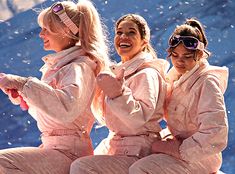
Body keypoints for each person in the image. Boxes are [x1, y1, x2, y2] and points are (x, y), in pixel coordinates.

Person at [0, 0, 110, 173]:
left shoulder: (78, 67)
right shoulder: (63, 66)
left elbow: (66, 109)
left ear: (65, 31)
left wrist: (22, 83)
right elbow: (52, 115)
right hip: (55, 148)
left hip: (69, 152)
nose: (41, 34)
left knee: (3, 162)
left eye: (47, 29)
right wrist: (25, 96)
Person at [70, 14, 169, 174]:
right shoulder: (120, 71)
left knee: (82, 167)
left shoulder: (147, 73)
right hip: (118, 145)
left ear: (144, 41)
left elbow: (139, 117)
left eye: (131, 32)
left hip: (138, 151)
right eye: (119, 32)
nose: (124, 37)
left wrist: (118, 94)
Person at [129, 18, 229, 174]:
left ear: (199, 54)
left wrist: (180, 150)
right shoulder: (175, 80)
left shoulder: (206, 82)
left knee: (141, 169)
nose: (179, 61)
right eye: (175, 55)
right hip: (180, 146)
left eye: (187, 56)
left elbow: (215, 132)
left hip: (202, 156)